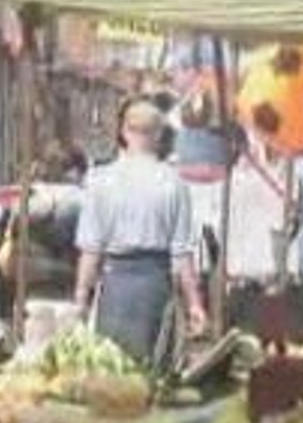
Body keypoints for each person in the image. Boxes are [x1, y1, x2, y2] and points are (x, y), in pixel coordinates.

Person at [75, 99, 207, 364]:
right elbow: (182, 252)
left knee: (112, 367)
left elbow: (91, 248)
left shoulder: (100, 180)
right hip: (155, 286)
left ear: (124, 132)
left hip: (115, 284)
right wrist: (194, 303)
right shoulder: (173, 182)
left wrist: (81, 296)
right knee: (153, 369)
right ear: (158, 135)